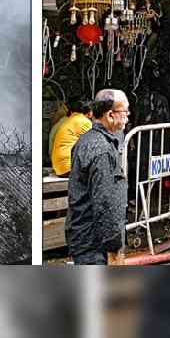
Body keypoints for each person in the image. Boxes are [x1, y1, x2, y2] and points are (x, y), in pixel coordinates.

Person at [65, 88, 130, 265]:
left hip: (85, 238)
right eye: (125, 111)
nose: (128, 115)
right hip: (95, 245)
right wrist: (113, 248)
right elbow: (105, 203)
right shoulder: (101, 150)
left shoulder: (86, 140)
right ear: (110, 115)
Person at [50, 98, 93, 176]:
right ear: (90, 112)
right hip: (68, 167)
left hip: (60, 167)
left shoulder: (70, 120)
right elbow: (94, 144)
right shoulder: (84, 122)